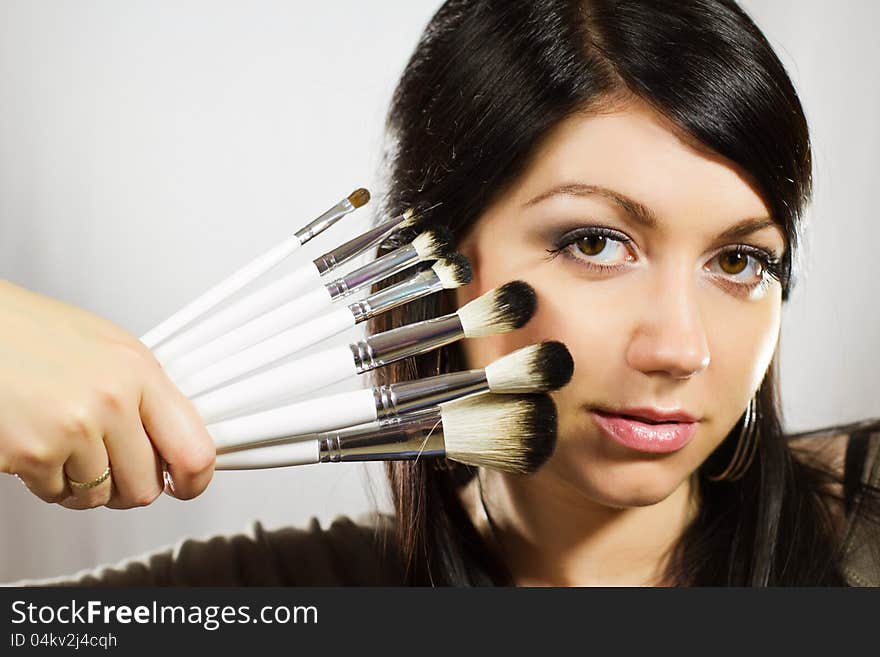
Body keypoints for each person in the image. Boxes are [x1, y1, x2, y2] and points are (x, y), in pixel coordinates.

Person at [5, 0, 880, 587]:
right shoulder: (274, 595)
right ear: (441, 261)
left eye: (740, 262)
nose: (681, 347)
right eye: (594, 242)